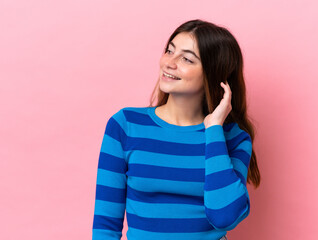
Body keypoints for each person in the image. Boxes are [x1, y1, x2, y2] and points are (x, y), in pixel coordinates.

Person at [92, 19, 261, 240]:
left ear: (214, 74)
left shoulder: (233, 138)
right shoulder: (125, 125)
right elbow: (105, 225)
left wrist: (213, 130)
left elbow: (225, 216)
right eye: (169, 51)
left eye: (186, 59)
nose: (169, 63)